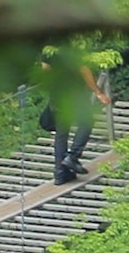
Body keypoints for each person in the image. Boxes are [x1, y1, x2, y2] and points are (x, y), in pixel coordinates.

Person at [47, 52, 114, 183]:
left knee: (61, 133)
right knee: (86, 123)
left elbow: (46, 70)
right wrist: (98, 92)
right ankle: (72, 156)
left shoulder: (49, 50)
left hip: (57, 96)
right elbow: (84, 70)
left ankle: (60, 173)